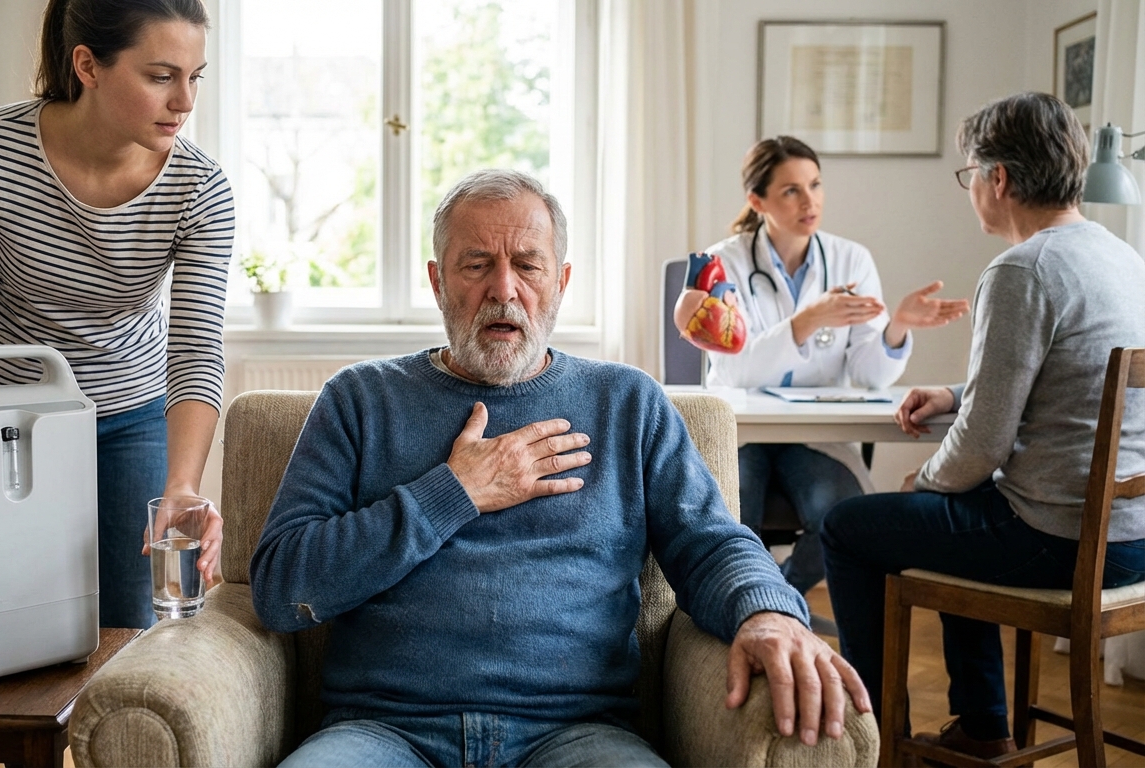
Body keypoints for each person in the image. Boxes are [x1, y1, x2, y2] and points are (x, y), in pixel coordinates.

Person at [250, 169, 870, 767]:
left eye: (528, 265)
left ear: (562, 281)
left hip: (575, 733)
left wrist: (766, 612)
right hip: (384, 730)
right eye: (476, 265)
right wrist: (453, 493)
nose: (503, 289)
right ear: (437, 282)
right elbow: (281, 588)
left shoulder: (626, 403)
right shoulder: (360, 400)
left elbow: (711, 545)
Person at [821, 92, 1145, 761]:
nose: (971, 189)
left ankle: (869, 735)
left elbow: (983, 445)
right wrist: (956, 392)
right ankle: (982, 724)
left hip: (1062, 539)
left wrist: (924, 481)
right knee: (957, 506)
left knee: (849, 526)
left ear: (998, 178)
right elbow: (1069, 378)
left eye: (970, 174)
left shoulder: (1024, 269)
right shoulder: (1123, 258)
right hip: (1134, 538)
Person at [0, 0, 232, 630]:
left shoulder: (200, 188)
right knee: (8, 619)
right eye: (161, 76)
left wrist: (183, 487)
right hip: (1, 415)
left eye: (195, 77)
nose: (184, 101)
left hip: (130, 411)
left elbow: (196, 350)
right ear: (88, 66)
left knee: (130, 626)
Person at [680, 136, 968, 608]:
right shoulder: (723, 263)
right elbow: (733, 371)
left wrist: (896, 327)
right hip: (741, 431)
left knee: (845, 515)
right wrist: (807, 321)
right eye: (791, 190)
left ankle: (773, 602)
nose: (809, 201)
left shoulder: (851, 260)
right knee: (729, 519)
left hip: (813, 434)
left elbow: (869, 377)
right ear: (758, 201)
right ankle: (755, 608)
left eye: (815, 185)